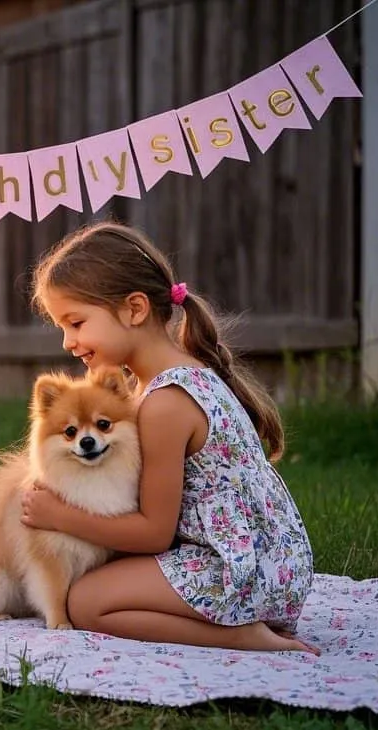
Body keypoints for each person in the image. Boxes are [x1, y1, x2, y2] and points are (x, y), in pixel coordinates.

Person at [20, 220, 318, 655]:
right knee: (94, 582)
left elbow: (154, 533)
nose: (68, 341)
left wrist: (59, 516)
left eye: (76, 322)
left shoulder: (165, 403)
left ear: (135, 309)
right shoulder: (172, 379)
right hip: (267, 561)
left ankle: (239, 635)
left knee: (85, 602)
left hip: (239, 571)